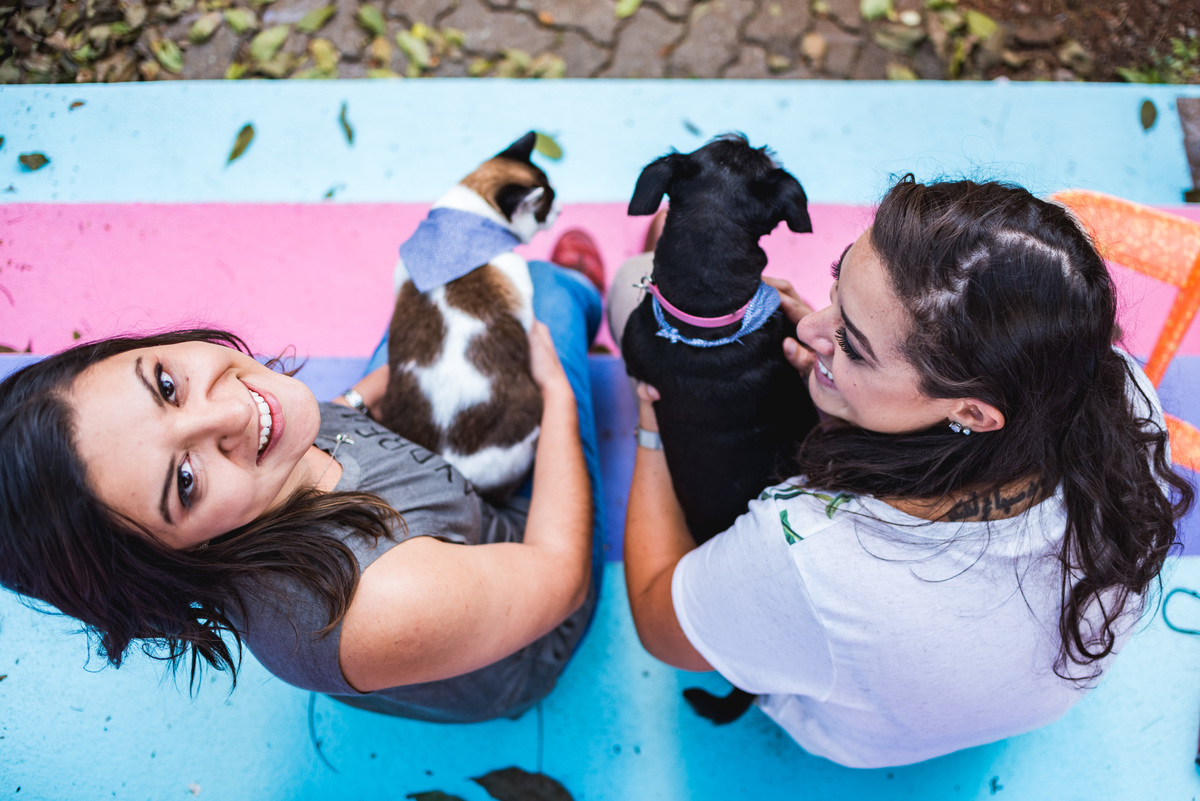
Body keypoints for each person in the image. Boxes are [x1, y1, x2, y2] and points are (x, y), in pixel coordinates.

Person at [615, 176, 1195, 767]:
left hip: (855, 736)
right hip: (1020, 701)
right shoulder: (1121, 392)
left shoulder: (806, 548)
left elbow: (659, 624)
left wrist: (654, 421)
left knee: (628, 285)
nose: (809, 328)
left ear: (970, 411)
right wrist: (847, 369)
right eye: (838, 283)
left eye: (854, 344)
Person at [0, 235, 607, 724]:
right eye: (184, 480)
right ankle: (585, 292)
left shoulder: (262, 448)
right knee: (546, 296)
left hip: (444, 525)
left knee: (448, 306)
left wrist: (359, 397)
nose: (235, 410)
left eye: (164, 385)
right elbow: (561, 572)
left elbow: (321, 419)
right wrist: (557, 400)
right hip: (530, 582)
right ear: (168, 560)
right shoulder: (386, 605)